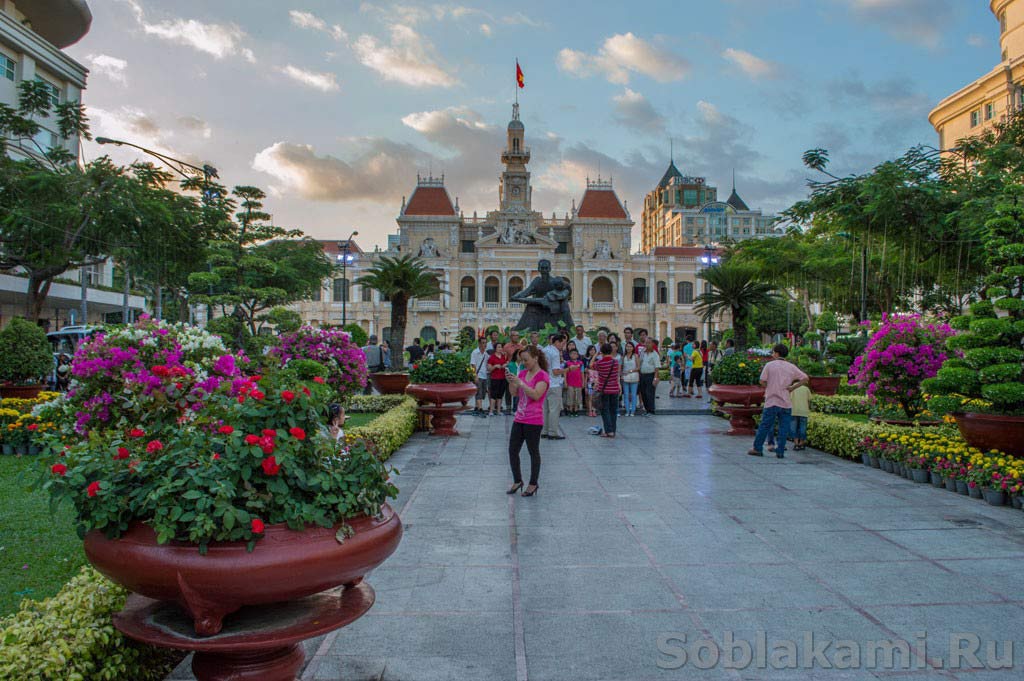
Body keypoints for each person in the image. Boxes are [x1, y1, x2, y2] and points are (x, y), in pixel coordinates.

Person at [748, 344, 809, 459]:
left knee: (765, 426)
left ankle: (757, 448)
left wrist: (769, 386)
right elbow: (805, 378)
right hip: (785, 401)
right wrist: (792, 387)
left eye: (773, 352)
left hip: (771, 400)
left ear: (776, 353)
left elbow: (761, 381)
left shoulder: (769, 365)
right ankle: (780, 451)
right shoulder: (791, 367)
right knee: (784, 428)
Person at [506, 346, 549, 497]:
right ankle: (517, 480)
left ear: (535, 358)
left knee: (533, 452)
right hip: (520, 417)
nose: (524, 363)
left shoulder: (542, 376)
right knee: (512, 450)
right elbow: (514, 393)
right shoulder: (523, 373)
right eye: (522, 360)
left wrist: (521, 383)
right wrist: (512, 381)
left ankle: (533, 483)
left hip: (533, 420)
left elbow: (536, 395)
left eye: (526, 360)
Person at [593, 343, 621, 437]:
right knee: (613, 411)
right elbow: (617, 375)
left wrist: (595, 355)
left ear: (602, 352)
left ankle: (609, 431)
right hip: (614, 389)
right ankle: (613, 430)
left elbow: (591, 365)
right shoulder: (616, 362)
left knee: (605, 411)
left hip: (604, 390)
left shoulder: (599, 363)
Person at [541, 334, 566, 439]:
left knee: (545, 409)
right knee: (554, 409)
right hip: (554, 383)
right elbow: (556, 371)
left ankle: (544, 430)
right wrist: (568, 369)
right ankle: (553, 432)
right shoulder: (555, 353)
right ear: (557, 342)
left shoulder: (545, 350)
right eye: (563, 343)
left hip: (544, 383)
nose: (563, 346)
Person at [503, 331, 524, 413]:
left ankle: (517, 407)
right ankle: (508, 407)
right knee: (508, 390)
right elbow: (503, 358)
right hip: (510, 368)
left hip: (519, 369)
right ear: (511, 337)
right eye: (514, 335)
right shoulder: (506, 347)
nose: (516, 337)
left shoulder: (521, 346)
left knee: (518, 390)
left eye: (517, 335)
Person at [638, 337, 660, 416]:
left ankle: (651, 410)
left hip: (651, 375)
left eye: (649, 343)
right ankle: (647, 410)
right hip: (642, 375)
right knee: (643, 393)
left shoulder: (655, 354)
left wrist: (655, 378)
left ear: (652, 344)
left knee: (649, 393)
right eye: (646, 342)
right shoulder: (642, 352)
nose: (647, 344)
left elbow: (657, 367)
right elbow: (640, 362)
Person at [470, 338, 490, 416]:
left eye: (485, 343)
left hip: (484, 375)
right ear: (479, 343)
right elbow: (473, 364)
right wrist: (475, 375)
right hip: (478, 375)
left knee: (483, 392)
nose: (484, 345)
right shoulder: (475, 352)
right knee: (479, 392)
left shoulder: (486, 354)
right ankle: (480, 408)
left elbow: (488, 363)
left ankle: (476, 406)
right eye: (482, 343)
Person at [487, 346, 509, 416]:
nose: (500, 348)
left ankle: (499, 411)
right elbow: (489, 369)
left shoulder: (504, 356)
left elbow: (507, 362)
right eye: (498, 347)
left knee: (500, 395)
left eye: (501, 347)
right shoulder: (492, 357)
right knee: (493, 395)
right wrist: (495, 366)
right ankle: (491, 411)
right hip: (495, 378)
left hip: (503, 378)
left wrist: (505, 364)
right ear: (495, 349)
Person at [620, 341, 640, 416]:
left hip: (634, 377)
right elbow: (621, 367)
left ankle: (633, 411)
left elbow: (638, 367)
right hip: (625, 377)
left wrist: (630, 371)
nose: (628, 348)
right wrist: (622, 374)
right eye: (627, 346)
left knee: (634, 394)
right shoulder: (623, 356)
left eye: (630, 346)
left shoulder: (636, 356)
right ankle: (627, 410)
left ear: (633, 348)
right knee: (626, 394)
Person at [791, 383, 812, 450]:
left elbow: (789, 399)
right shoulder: (806, 389)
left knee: (794, 428)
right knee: (803, 428)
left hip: (794, 411)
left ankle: (796, 443)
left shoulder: (792, 388)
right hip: (804, 411)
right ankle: (801, 443)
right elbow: (809, 400)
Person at [564, 348, 584, 416]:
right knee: (570, 396)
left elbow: (582, 373)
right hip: (570, 383)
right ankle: (570, 410)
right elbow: (565, 373)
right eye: (572, 353)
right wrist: (565, 382)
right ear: (569, 355)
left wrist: (583, 382)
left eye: (575, 353)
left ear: (578, 355)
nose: (574, 355)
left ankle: (576, 410)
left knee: (577, 396)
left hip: (578, 383)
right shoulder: (567, 363)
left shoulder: (581, 363)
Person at [584, 345, 599, 417]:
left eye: (594, 350)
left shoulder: (598, 360)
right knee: (589, 397)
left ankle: (594, 410)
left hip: (597, 382)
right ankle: (590, 410)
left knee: (595, 397)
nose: (592, 351)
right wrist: (585, 384)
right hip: (589, 382)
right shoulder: (586, 360)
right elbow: (586, 373)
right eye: (591, 350)